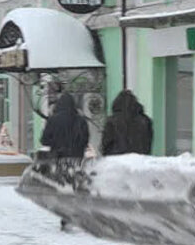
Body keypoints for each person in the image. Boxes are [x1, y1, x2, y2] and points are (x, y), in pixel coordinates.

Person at [40, 91, 89, 231]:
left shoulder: (53, 120)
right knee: (74, 186)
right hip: (76, 158)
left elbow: (44, 140)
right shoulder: (81, 120)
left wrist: (57, 142)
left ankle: (65, 214)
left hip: (59, 158)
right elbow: (85, 139)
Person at [100, 90, 153, 156]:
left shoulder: (111, 122)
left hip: (117, 160)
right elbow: (148, 145)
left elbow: (106, 146)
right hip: (139, 161)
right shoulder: (146, 121)